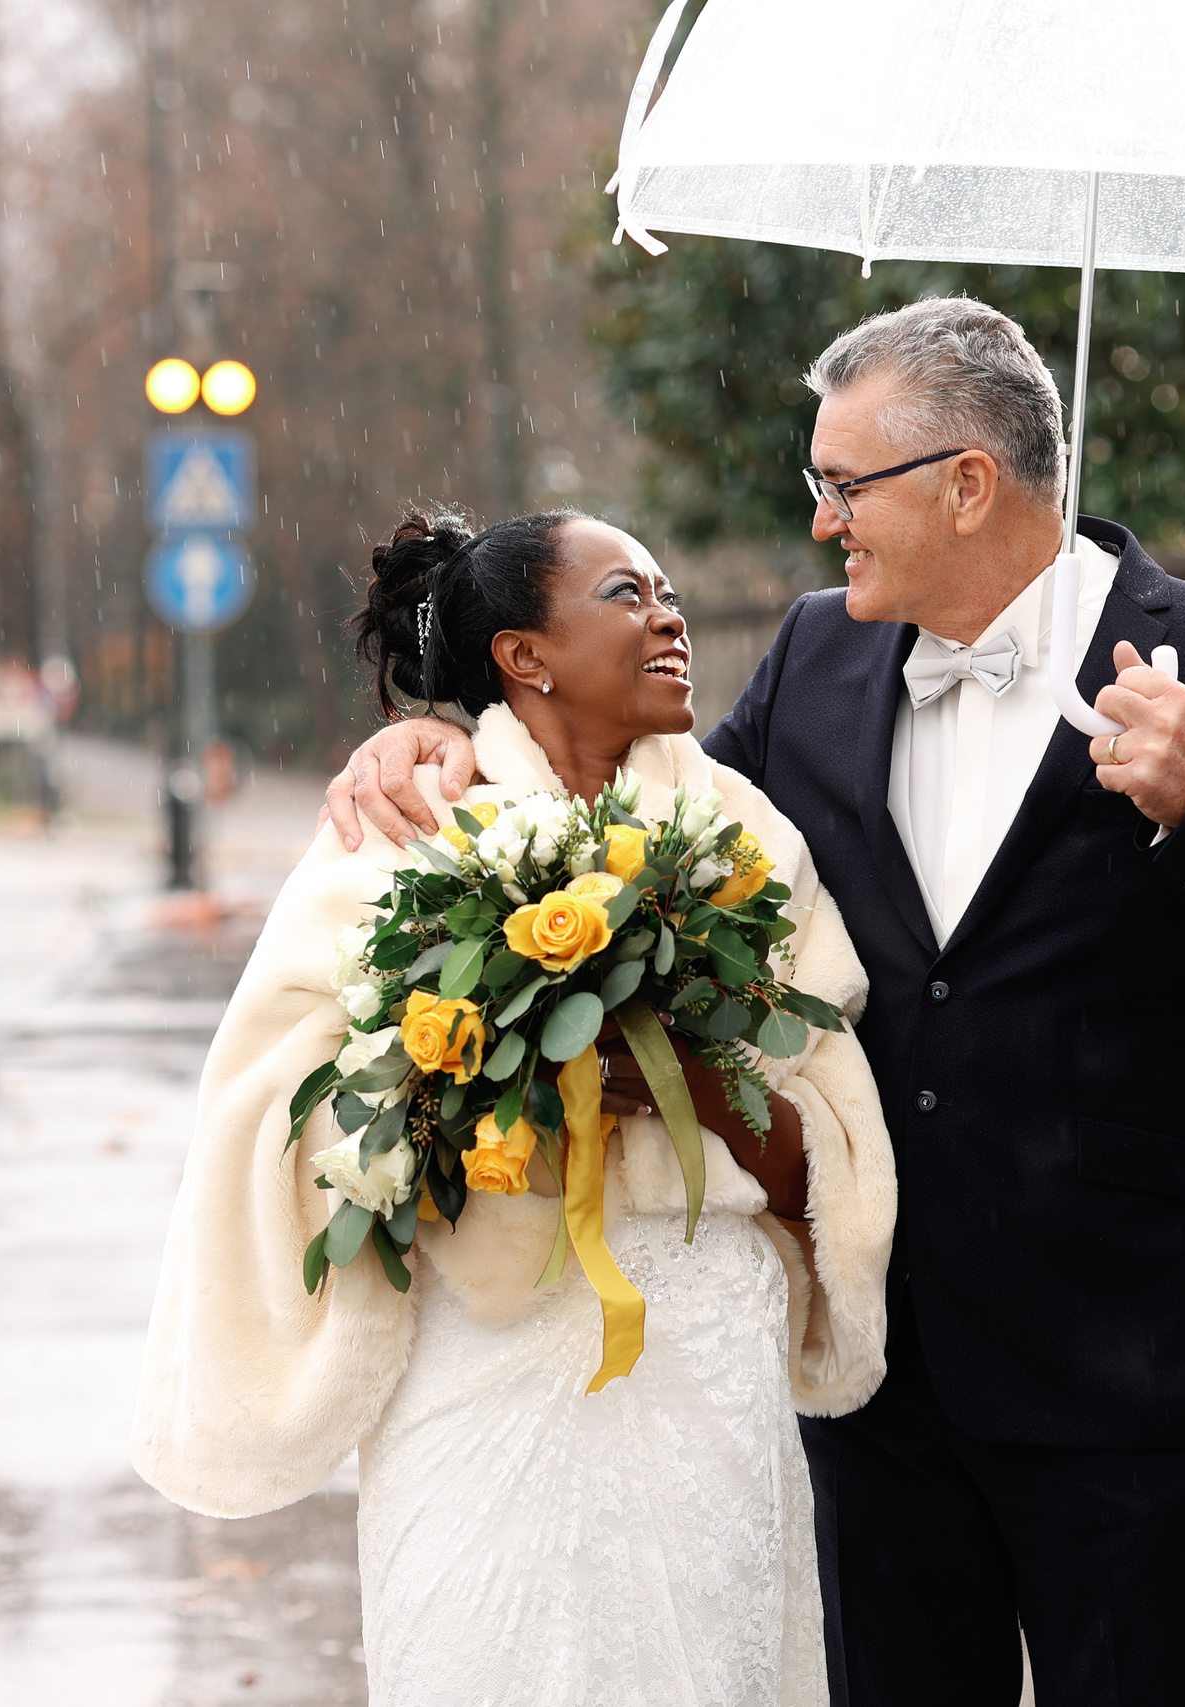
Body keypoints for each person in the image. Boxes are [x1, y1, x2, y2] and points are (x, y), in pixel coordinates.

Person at [325, 297, 1185, 1705]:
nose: (826, 520)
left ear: (968, 483)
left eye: (846, 486)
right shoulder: (812, 653)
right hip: (885, 1363)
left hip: (1138, 1364)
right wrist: (449, 729)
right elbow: (639, 835)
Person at [134, 506, 898, 1706]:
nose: (669, 615)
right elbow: (272, 1100)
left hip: (704, 1358)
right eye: (625, 595)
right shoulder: (398, 829)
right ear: (522, 657)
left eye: (667, 588)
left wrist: (691, 1087)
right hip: (475, 1361)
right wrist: (473, 1089)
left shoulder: (753, 840)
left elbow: (831, 1138)